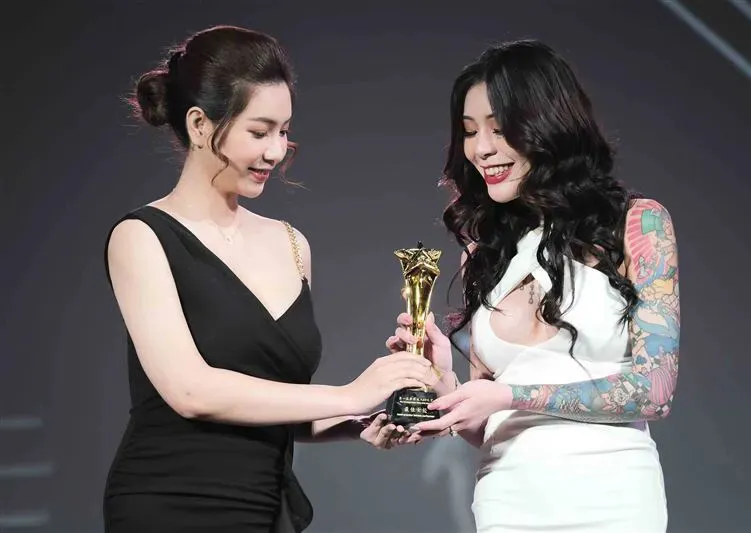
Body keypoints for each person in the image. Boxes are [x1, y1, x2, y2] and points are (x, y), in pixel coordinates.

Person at [102, 25, 437, 533]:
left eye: (283, 131)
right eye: (259, 132)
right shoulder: (141, 236)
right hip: (169, 502)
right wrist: (351, 393)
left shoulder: (291, 244)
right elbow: (190, 391)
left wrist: (364, 421)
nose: (277, 152)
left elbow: (280, 403)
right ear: (199, 124)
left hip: (264, 505)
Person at [385, 40, 679, 532]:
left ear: (548, 124)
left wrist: (510, 395)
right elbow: (486, 424)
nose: (481, 149)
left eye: (499, 128)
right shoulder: (483, 250)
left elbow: (654, 390)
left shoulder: (638, 224)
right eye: (469, 131)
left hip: (614, 498)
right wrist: (445, 387)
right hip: (507, 501)